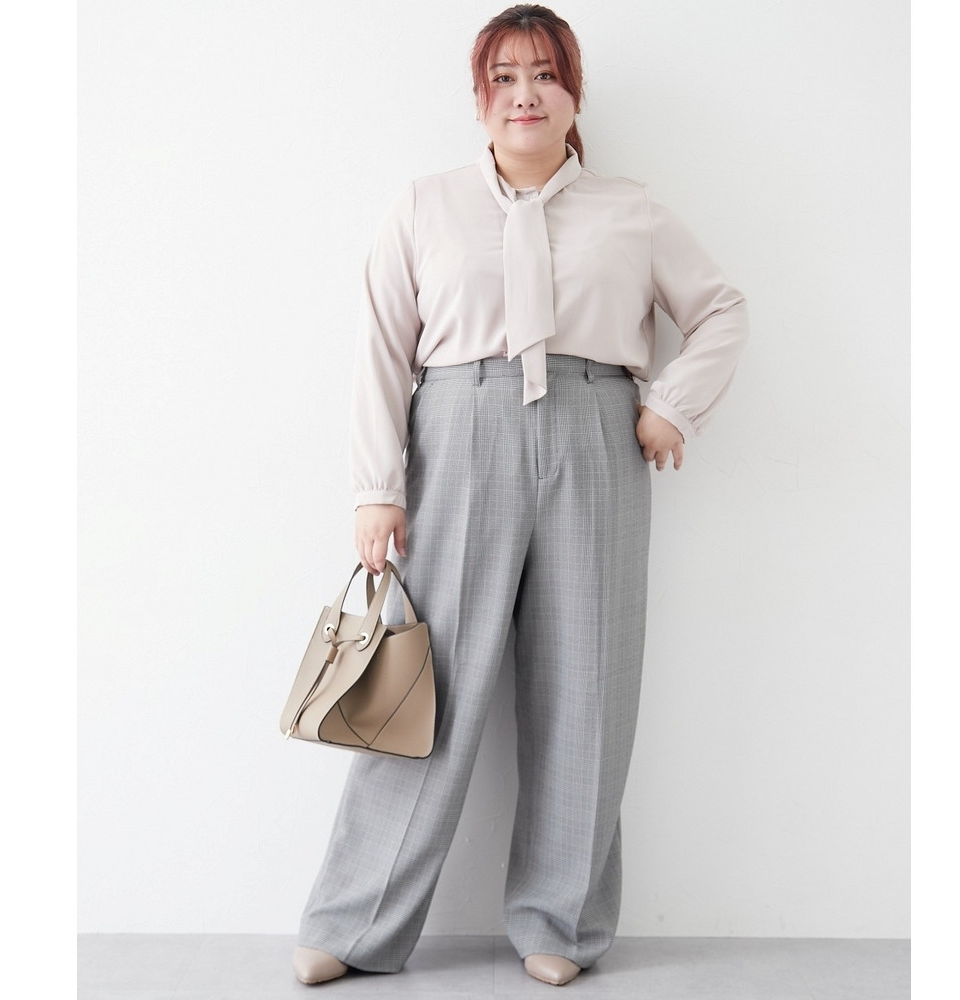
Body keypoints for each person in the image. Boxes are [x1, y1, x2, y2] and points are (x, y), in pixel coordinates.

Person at [293, 3, 748, 988]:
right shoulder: (427, 205)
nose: (525, 95)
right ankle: (356, 919)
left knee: (587, 683)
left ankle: (559, 921)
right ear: (479, 99)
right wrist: (376, 488)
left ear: (574, 93)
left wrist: (671, 406)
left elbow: (720, 308)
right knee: (427, 684)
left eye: (544, 75)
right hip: (458, 433)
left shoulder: (631, 210)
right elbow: (381, 348)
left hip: (596, 432)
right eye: (503, 78)